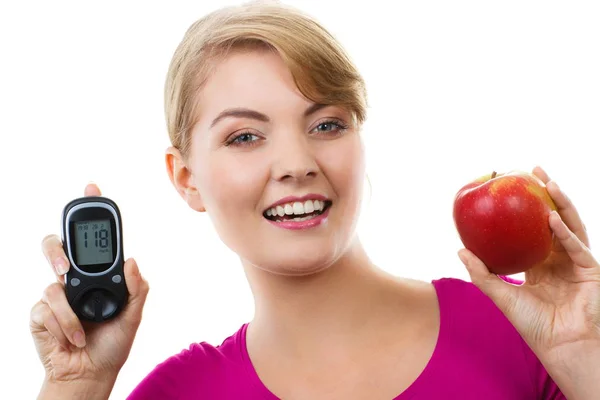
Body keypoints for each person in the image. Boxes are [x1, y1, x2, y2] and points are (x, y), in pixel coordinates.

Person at [31, 2, 600, 399]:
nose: (298, 162)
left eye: (327, 124)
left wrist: (584, 355)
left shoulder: (518, 327)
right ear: (186, 180)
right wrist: (74, 388)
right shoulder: (179, 393)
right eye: (245, 137)